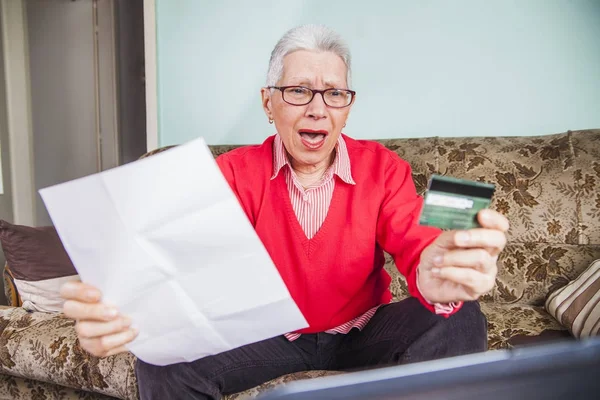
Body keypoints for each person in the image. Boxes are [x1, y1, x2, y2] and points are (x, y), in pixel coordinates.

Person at [60, 25, 509, 400]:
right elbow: (172, 261)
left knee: (462, 317)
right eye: (298, 91)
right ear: (268, 102)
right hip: (269, 340)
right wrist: (125, 314)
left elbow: (418, 239)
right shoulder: (231, 174)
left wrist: (436, 270)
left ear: (347, 109)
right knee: (163, 364)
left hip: (365, 332)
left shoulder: (385, 169)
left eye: (334, 93)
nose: (317, 107)